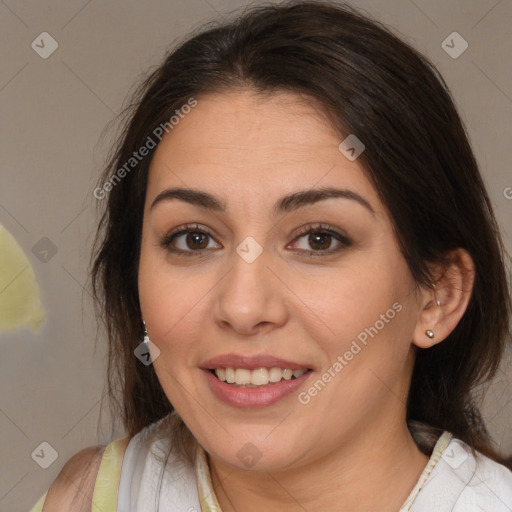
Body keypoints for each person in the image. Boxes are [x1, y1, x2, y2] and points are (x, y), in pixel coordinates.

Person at [31, 1, 512, 511]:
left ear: (438, 293)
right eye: (194, 239)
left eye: (319, 239)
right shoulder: (87, 500)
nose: (242, 307)